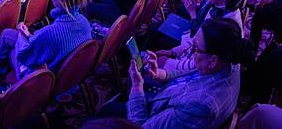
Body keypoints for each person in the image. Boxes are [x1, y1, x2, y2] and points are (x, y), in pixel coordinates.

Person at [105, 18, 255, 129]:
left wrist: (137, 87)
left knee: (106, 112)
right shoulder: (228, 60)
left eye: (196, 48)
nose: (192, 52)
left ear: (213, 60)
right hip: (167, 96)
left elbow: (141, 127)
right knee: (142, 72)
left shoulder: (198, 107)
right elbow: (189, 75)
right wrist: (160, 74)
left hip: (151, 114)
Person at [0, 0, 92, 80]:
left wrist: (21, 36)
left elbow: (25, 56)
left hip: (40, 77)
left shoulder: (52, 32)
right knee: (6, 34)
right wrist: (29, 35)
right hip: (67, 73)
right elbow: (45, 42)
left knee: (11, 51)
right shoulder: (84, 22)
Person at [156, 0, 245, 74]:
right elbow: (196, 40)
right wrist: (173, 52)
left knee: (156, 36)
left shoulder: (224, 25)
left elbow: (199, 64)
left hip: (195, 70)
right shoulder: (218, 7)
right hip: (190, 54)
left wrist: (169, 63)